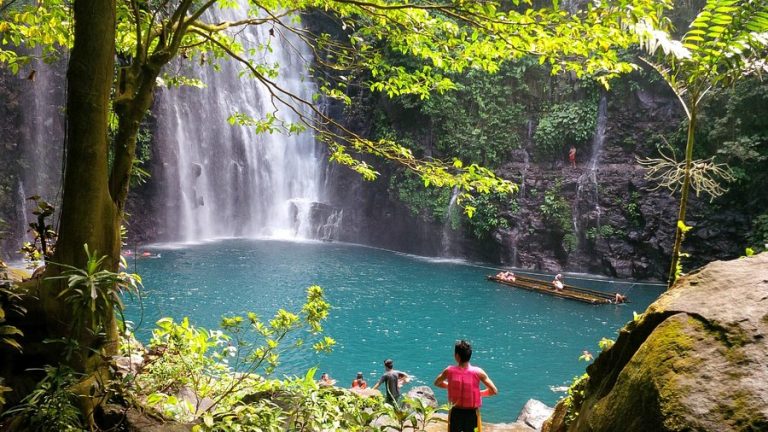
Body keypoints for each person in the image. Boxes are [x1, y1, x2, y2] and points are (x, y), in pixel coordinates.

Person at [434, 340, 498, 432]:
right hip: (472, 414)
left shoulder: (449, 371)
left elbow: (437, 383)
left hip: (455, 412)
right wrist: (478, 394)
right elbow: (493, 390)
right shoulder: (478, 372)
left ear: (457, 356)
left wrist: (452, 387)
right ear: (470, 355)